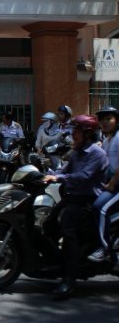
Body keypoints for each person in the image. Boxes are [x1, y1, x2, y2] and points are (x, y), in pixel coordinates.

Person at [43, 115, 107, 299]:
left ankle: (69, 280)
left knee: (69, 232)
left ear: (87, 134)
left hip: (86, 200)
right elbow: (65, 170)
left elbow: (84, 176)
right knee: (48, 224)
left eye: (76, 131)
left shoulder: (96, 153)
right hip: (73, 197)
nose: (73, 135)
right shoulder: (77, 151)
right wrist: (48, 174)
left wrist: (59, 178)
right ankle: (54, 264)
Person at [88, 106, 119, 264]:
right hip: (109, 184)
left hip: (117, 187)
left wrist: (112, 183)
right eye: (102, 120)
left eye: (109, 119)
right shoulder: (107, 140)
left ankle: (104, 249)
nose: (105, 122)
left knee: (100, 208)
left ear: (116, 120)